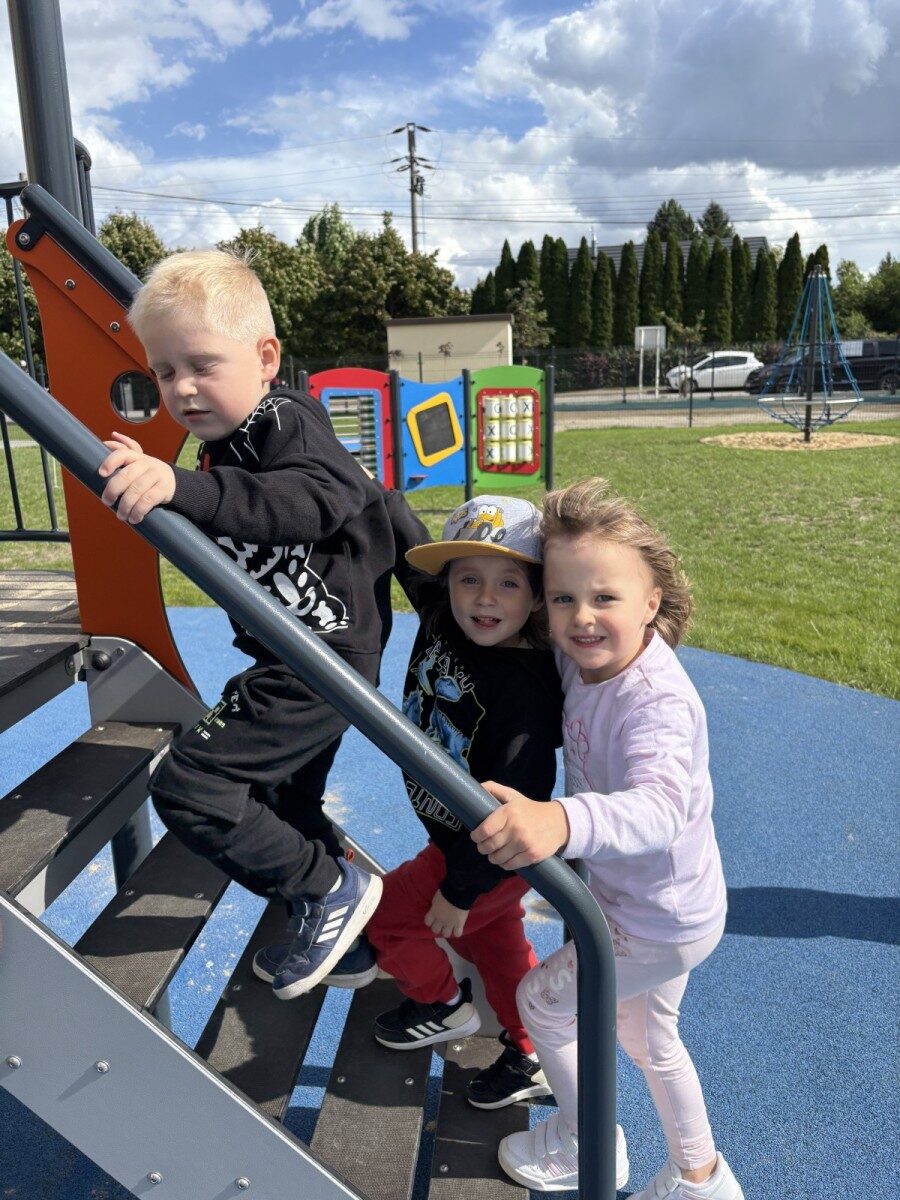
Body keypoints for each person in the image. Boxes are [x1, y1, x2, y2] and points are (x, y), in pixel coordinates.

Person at [98, 248, 429, 1001]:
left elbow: (316, 500)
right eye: (164, 372)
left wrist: (182, 488)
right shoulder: (225, 445)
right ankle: (351, 941)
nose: (182, 387)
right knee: (282, 801)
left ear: (265, 358)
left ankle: (325, 888)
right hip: (299, 654)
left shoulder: (286, 422)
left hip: (318, 659)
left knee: (191, 785)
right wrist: (169, 480)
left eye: (202, 365)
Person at [471, 478, 744, 1199]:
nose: (582, 618)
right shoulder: (584, 656)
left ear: (652, 602)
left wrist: (560, 820)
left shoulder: (656, 702)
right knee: (649, 1039)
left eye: (605, 598)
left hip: (654, 919)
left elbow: (661, 807)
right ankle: (701, 1177)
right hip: (669, 906)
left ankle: (585, 1141)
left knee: (542, 1003)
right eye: (563, 598)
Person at [365, 496, 565, 1110]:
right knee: (495, 944)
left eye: (509, 583)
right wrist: (370, 490)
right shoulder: (443, 614)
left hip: (485, 855)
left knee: (384, 918)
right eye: (468, 579)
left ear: (537, 597)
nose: (485, 598)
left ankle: (442, 1004)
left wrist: (459, 890)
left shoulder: (525, 698)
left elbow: (512, 815)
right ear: (447, 582)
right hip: (458, 842)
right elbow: (407, 547)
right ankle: (533, 1050)